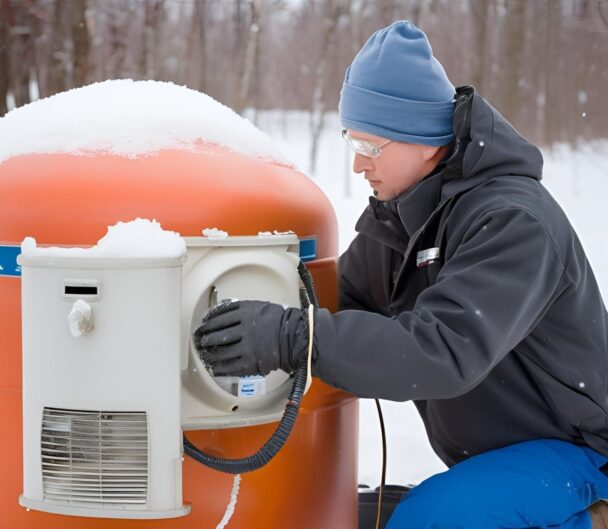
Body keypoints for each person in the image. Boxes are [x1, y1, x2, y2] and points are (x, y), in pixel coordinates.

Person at [194, 20, 608, 529]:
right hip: (501, 457)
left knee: (428, 521)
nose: (358, 167)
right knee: (349, 517)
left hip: (582, 451)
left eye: (371, 148)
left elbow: (440, 351)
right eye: (353, 144)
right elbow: (339, 304)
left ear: (423, 138)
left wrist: (292, 338)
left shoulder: (512, 222)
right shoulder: (401, 223)